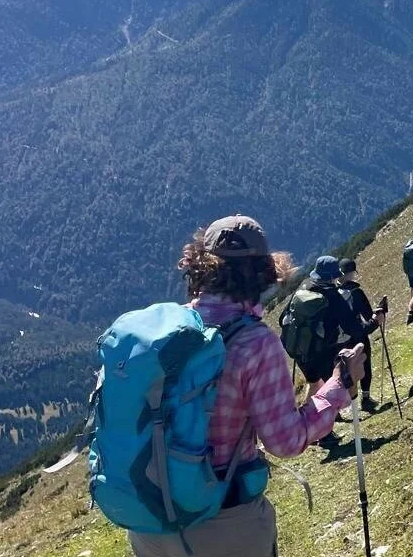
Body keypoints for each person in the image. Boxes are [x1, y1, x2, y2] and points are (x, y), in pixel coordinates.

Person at [128, 215, 365, 557]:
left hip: (149, 520)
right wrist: (340, 384)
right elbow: (285, 440)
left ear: (198, 266)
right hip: (223, 520)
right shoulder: (254, 343)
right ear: (263, 273)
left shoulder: (163, 330)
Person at [294, 256, 366, 443]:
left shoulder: (304, 288)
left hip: (298, 349)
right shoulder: (333, 296)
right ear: (334, 276)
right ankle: (324, 435)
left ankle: (303, 422)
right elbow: (353, 329)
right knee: (327, 388)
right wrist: (375, 322)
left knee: (314, 383)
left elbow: (282, 320)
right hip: (320, 351)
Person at [337, 258, 385, 414]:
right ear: (351, 273)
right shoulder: (356, 292)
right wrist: (377, 318)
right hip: (357, 336)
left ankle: (339, 407)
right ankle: (365, 398)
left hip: (338, 340)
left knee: (342, 371)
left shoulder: (332, 292)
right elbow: (369, 315)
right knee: (364, 364)